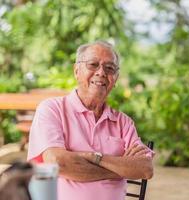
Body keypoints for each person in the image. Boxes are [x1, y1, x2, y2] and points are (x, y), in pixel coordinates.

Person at [27, 41, 154, 200]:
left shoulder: (124, 122)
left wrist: (94, 157)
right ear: (76, 71)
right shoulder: (52, 109)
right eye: (93, 64)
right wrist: (120, 168)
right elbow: (58, 162)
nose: (101, 72)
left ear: (115, 78)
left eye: (109, 68)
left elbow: (145, 168)